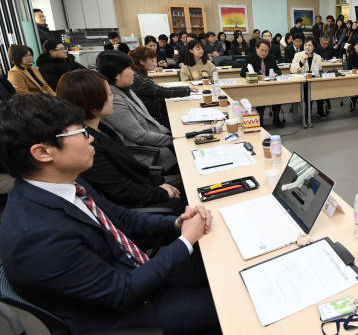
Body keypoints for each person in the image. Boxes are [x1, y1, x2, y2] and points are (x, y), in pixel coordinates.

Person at [0, 93, 219, 335]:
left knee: (222, 255)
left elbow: (123, 219)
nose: (91, 139)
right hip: (128, 313)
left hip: (137, 273)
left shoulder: (63, 182)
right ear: (43, 152)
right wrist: (186, 240)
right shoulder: (37, 236)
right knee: (235, 302)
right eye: (81, 133)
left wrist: (178, 224)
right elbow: (122, 292)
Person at [56, 69, 187, 213]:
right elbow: (121, 191)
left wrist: (159, 184)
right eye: (110, 94)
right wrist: (161, 191)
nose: (113, 97)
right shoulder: (88, 145)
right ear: (93, 104)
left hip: (144, 185)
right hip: (139, 206)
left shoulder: (101, 128)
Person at [97, 51, 178, 172]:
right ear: (116, 75)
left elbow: (149, 120)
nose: (133, 72)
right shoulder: (113, 100)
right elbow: (139, 136)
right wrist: (173, 140)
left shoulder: (126, 89)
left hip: (159, 141)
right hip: (150, 154)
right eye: (129, 69)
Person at [129, 46, 194, 128]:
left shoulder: (139, 74)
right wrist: (187, 90)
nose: (155, 63)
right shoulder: (137, 78)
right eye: (152, 60)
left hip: (155, 113)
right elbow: (161, 91)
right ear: (142, 61)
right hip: (154, 120)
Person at [240, 40, 284, 128]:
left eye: (266, 51)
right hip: (256, 86)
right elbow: (242, 73)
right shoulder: (250, 58)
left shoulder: (271, 57)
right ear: (256, 49)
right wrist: (255, 76)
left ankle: (276, 118)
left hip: (270, 85)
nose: (264, 53)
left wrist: (276, 73)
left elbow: (278, 70)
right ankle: (260, 121)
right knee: (261, 98)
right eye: (262, 50)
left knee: (277, 97)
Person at [291, 37, 325, 118]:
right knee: (307, 90)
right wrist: (301, 62)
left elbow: (320, 70)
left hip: (314, 82)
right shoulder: (298, 55)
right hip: (302, 83)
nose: (307, 47)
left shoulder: (318, 57)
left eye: (309, 45)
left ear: (314, 47)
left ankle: (320, 110)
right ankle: (307, 111)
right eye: (305, 45)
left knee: (321, 88)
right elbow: (292, 70)